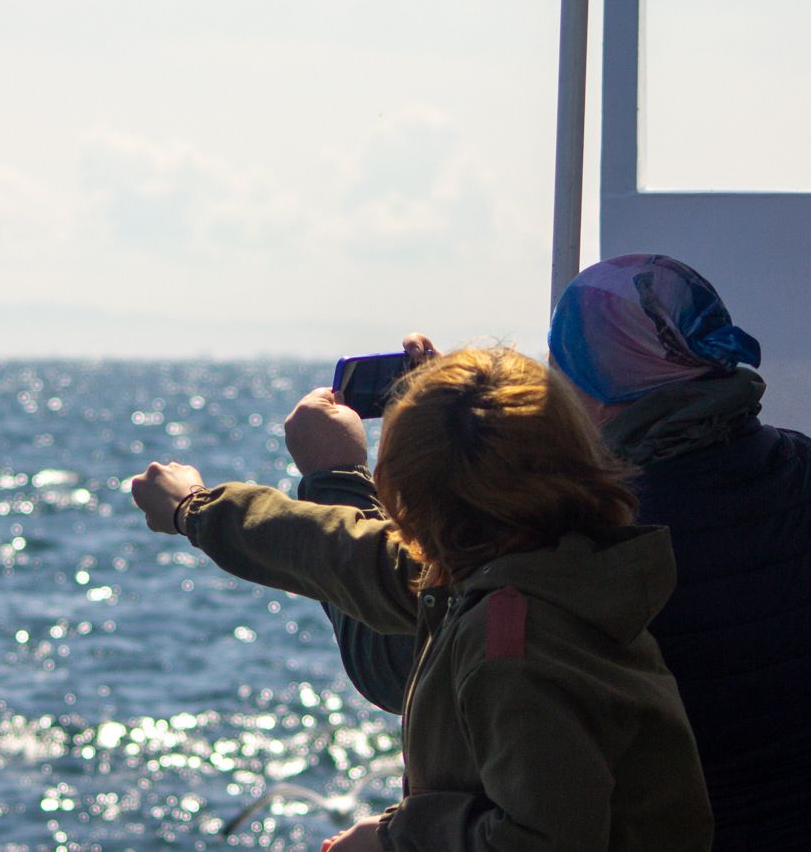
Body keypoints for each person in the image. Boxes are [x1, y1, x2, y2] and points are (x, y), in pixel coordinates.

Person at [288, 255, 811, 852]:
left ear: (596, 383)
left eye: (560, 366)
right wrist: (466, 422)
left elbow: (401, 667)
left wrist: (336, 478)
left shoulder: (609, 529)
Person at [130, 346, 713, 851]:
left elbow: (545, 840)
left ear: (409, 495)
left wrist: (394, 839)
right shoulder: (541, 564)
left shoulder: (514, 643)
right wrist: (196, 510)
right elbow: (338, 550)